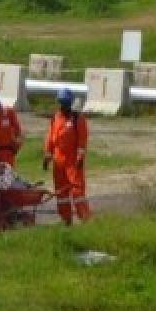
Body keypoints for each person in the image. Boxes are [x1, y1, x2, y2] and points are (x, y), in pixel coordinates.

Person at [43, 88, 91, 225]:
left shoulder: (77, 119)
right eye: (61, 102)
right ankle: (66, 221)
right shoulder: (55, 118)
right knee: (61, 194)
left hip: (73, 162)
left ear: (70, 103)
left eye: (65, 102)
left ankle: (85, 219)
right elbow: (50, 138)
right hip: (58, 162)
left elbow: (82, 140)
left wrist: (80, 157)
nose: (62, 105)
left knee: (77, 192)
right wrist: (47, 155)